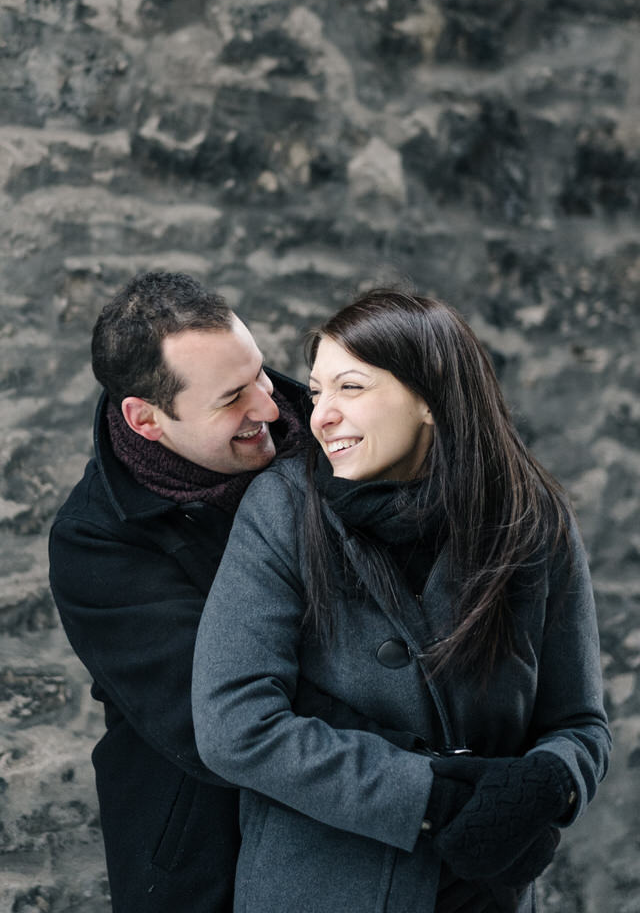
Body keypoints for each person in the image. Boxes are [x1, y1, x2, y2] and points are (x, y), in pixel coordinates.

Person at [192, 288, 611, 913]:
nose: (319, 416)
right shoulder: (282, 507)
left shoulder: (532, 519)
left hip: (482, 896)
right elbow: (234, 723)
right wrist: (426, 797)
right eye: (316, 392)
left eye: (351, 388)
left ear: (430, 400)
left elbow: (579, 724)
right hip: (320, 892)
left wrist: (550, 784)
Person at [48, 270, 312, 913]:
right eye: (232, 399)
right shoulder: (96, 544)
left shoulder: (337, 432)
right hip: (207, 856)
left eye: (261, 373)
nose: (271, 407)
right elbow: (218, 720)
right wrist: (426, 776)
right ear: (145, 420)